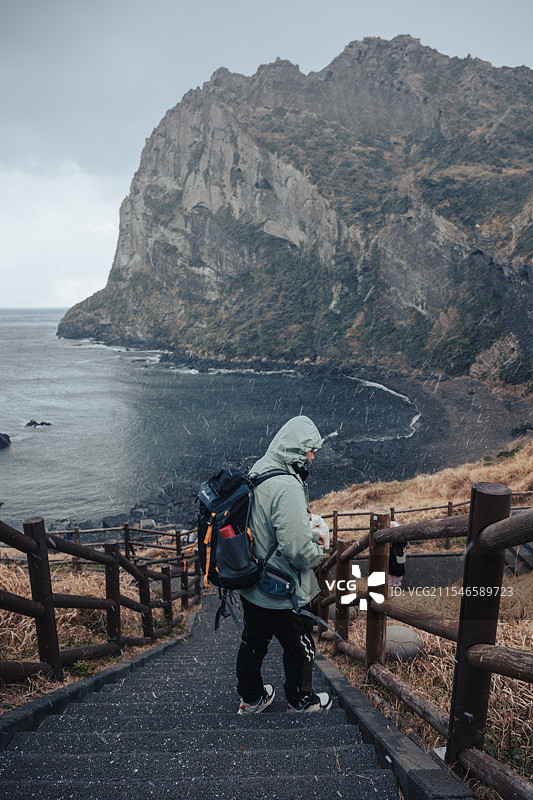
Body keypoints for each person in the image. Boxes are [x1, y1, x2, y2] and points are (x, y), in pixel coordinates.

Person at [236, 415, 332, 714]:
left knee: (253, 642)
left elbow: (266, 527)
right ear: (296, 449)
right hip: (281, 587)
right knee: (300, 645)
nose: (312, 457)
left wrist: (305, 532)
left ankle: (251, 699)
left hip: (252, 579)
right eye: (309, 450)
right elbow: (297, 550)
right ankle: (300, 701)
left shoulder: (259, 470)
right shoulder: (286, 485)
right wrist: (320, 551)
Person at [388, 521, 407, 588]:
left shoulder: (400, 538)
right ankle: (392, 583)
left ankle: (396, 583)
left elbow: (404, 543)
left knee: (395, 570)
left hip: (396, 555)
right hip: (394, 555)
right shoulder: (391, 538)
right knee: (391, 570)